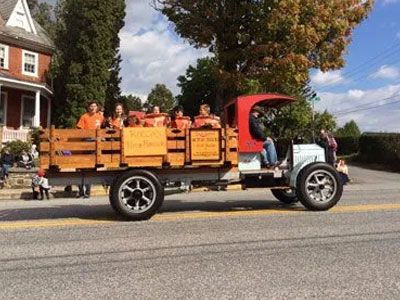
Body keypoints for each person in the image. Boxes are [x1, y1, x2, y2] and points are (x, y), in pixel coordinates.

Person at [76, 101, 104, 198]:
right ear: (88, 108)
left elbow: (104, 128)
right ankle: (80, 191)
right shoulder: (84, 117)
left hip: (96, 142)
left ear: (97, 108)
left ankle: (87, 192)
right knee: (81, 169)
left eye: (94, 106)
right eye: (91, 106)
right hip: (86, 141)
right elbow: (80, 130)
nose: (92, 108)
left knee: (91, 169)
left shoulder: (100, 117)